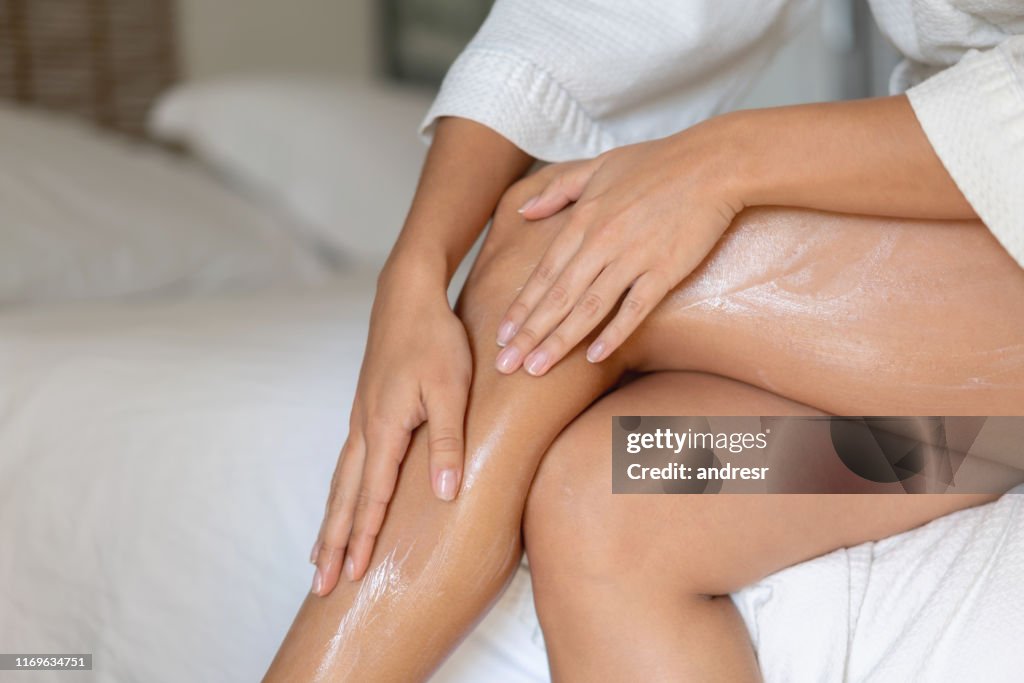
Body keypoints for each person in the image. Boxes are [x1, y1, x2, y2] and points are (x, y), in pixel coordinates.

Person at [265, 1, 1024, 680]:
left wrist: (716, 162)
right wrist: (413, 271)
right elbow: (604, 19)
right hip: (977, 426)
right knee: (612, 490)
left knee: (569, 260)